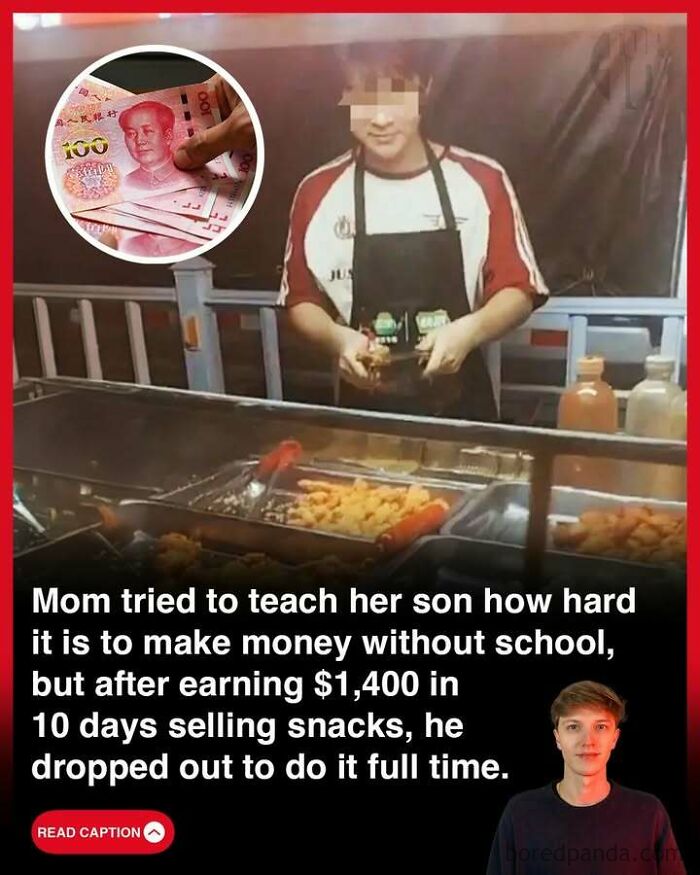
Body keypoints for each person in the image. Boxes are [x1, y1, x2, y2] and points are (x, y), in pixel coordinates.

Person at [275, 42, 548, 419]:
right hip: (363, 408)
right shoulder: (318, 190)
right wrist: (339, 340)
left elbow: (518, 289)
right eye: (364, 102)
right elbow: (301, 298)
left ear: (425, 91)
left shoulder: (481, 180)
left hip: (463, 409)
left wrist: (468, 332)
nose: (381, 120)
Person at [486, 680, 687, 874]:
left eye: (600, 727)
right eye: (574, 727)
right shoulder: (520, 812)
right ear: (558, 738)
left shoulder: (650, 813)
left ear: (614, 738)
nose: (587, 741)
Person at [118, 101, 196, 192]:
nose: (139, 141)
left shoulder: (193, 177)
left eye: (148, 131)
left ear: (168, 136)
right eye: (131, 134)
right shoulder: (124, 184)